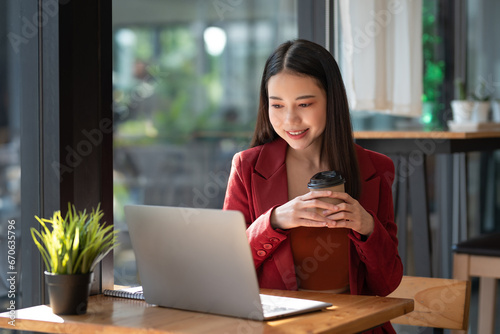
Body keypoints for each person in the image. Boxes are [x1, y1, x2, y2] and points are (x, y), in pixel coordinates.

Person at [223, 39, 402, 334]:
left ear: (332, 100)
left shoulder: (376, 170)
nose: (290, 119)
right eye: (277, 105)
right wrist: (275, 220)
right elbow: (227, 269)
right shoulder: (247, 168)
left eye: (305, 104)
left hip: (356, 327)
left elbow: (387, 283)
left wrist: (367, 226)